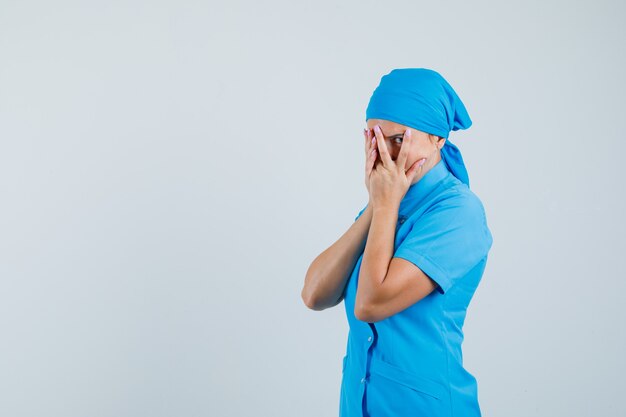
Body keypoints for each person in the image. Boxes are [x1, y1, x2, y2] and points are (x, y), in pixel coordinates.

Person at [301, 68, 493, 417]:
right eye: (375, 139)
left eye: (399, 140)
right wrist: (376, 206)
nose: (385, 155)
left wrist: (385, 203)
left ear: (437, 138)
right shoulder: (387, 202)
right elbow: (314, 294)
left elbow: (371, 303)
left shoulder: (458, 213)